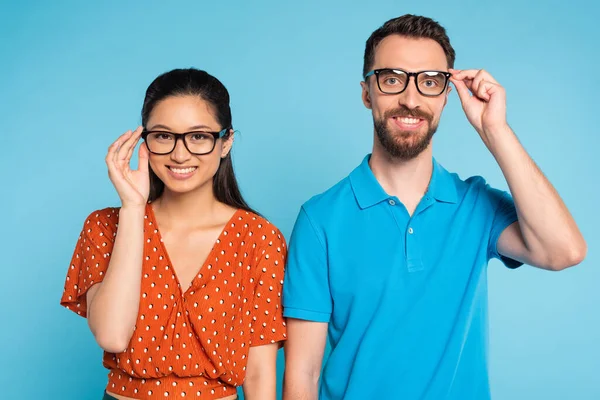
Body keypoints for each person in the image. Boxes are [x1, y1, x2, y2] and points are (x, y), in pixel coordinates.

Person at [282, 14, 586, 400]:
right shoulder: (320, 218)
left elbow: (564, 251)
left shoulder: (476, 205)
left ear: (446, 95)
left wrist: (496, 131)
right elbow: (303, 374)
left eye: (429, 82)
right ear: (366, 92)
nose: (411, 99)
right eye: (392, 79)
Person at [60, 68, 287, 400]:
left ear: (226, 142)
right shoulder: (105, 226)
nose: (180, 154)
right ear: (144, 141)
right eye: (164, 136)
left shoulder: (258, 238)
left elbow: (259, 373)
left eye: (198, 136)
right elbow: (112, 336)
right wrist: (133, 209)